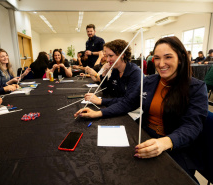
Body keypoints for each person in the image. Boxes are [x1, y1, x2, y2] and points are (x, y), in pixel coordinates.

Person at [75, 36, 208, 182]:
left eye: (168, 57)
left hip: (175, 148)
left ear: (181, 58)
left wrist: (164, 142)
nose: (161, 63)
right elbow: (128, 103)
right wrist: (98, 113)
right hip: (144, 136)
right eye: (157, 58)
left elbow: (192, 126)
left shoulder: (196, 88)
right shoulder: (150, 81)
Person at [74, 39, 142, 118]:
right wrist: (104, 73)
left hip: (133, 114)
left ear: (122, 55)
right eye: (107, 56)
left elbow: (128, 101)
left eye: (111, 56)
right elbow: (107, 90)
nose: (108, 59)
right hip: (119, 108)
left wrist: (101, 103)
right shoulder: (116, 70)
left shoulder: (135, 73)